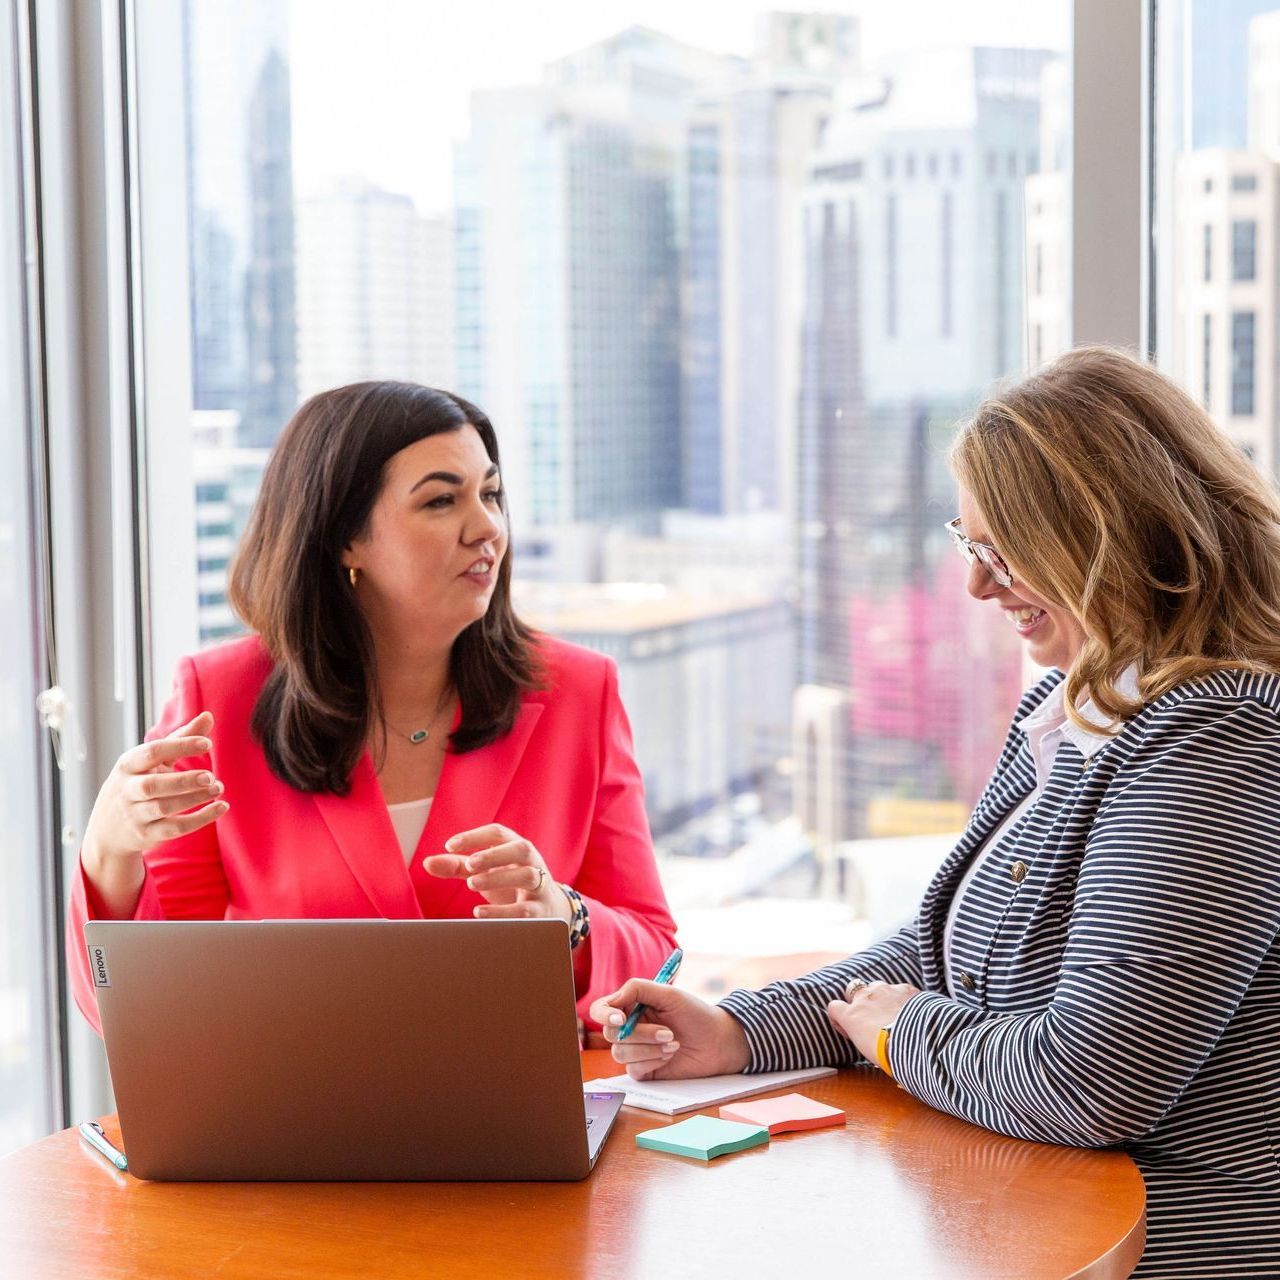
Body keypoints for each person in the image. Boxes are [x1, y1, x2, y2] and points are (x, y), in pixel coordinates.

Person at [592, 347, 1280, 1278]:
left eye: (1002, 552)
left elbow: (1087, 1082)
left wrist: (900, 1030)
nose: (976, 587)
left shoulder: (1217, 738)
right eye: (967, 545)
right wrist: (740, 1030)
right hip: (1027, 1215)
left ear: (1110, 537)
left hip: (1160, 1252)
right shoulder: (1071, 709)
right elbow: (938, 949)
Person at [68, 381, 676, 1033]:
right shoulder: (218, 698)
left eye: (491, 494)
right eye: (442, 500)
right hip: (290, 1118)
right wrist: (109, 850)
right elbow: (149, 1010)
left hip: (521, 1118)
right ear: (345, 539)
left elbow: (656, 958)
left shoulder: (578, 692)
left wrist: (564, 915)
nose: (487, 528)